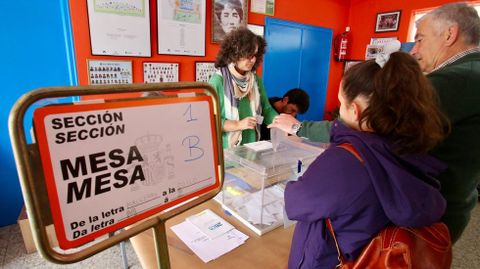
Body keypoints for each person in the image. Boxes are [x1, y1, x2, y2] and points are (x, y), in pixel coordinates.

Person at [271, 2, 480, 243]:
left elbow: (373, 127)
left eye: (420, 39)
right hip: (430, 203)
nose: (414, 50)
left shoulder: (457, 80)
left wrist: (299, 127)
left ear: (449, 34)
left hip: (423, 217)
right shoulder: (470, 72)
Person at [284, 51, 448, 269]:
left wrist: (294, 182)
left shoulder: (343, 162)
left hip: (333, 259)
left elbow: (296, 204)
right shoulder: (412, 147)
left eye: (341, 102)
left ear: (355, 110)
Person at [209, 27, 277, 148]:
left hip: (253, 144)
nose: (253, 59)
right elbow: (209, 121)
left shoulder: (255, 80)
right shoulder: (218, 81)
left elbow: (266, 110)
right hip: (227, 148)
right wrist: (238, 124)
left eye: (255, 55)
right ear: (235, 53)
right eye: (249, 54)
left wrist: (280, 122)